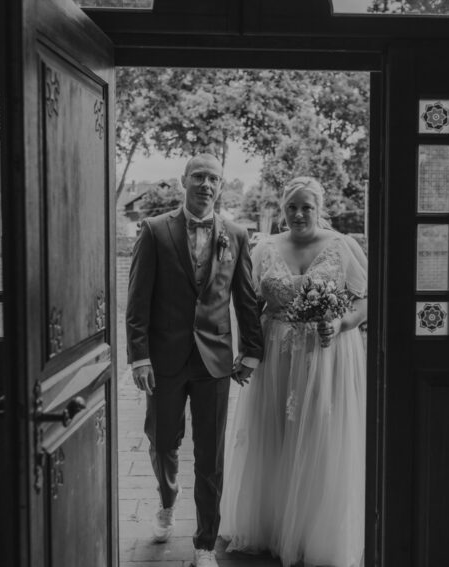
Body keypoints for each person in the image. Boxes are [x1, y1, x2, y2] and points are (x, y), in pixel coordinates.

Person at [220, 176, 368, 567]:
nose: (299, 214)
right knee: (276, 434)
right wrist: (246, 352)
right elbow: (247, 306)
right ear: (283, 209)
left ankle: (316, 531)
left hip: (327, 356)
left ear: (320, 209)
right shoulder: (264, 248)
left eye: (306, 207)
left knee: (321, 435)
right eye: (292, 207)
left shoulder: (342, 246)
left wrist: (341, 323)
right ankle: (274, 525)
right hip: (277, 356)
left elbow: (365, 300)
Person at [126, 153, 264, 567]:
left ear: (220, 186)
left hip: (214, 361)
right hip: (164, 360)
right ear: (183, 180)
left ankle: (204, 544)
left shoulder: (236, 234)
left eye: (213, 179)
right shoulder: (154, 230)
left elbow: (246, 298)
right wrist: (139, 357)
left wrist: (252, 351)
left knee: (210, 456)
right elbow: (137, 300)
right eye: (199, 176)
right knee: (162, 441)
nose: (206, 184)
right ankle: (167, 499)